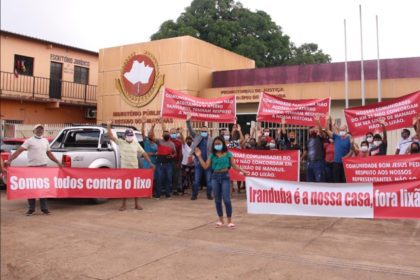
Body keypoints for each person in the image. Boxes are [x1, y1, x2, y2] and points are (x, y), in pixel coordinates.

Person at [6, 124, 62, 215]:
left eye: (41, 129)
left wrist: (57, 162)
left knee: (43, 188)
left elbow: (49, 153)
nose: (40, 130)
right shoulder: (29, 141)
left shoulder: (45, 141)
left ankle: (44, 209)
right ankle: (31, 209)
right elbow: (19, 151)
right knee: (31, 189)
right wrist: (10, 160)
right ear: (34, 131)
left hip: (43, 167)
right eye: (38, 129)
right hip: (32, 168)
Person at [194, 136, 249, 229]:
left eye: (219, 143)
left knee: (227, 200)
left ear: (223, 144)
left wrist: (243, 171)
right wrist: (199, 156)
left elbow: (234, 166)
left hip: (225, 177)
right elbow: (205, 166)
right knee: (217, 200)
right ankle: (220, 219)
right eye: (215, 144)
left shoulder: (228, 154)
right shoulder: (212, 155)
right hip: (215, 177)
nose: (217, 145)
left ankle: (229, 220)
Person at [107, 121, 154, 210]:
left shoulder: (136, 144)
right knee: (125, 187)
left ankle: (136, 204)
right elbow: (110, 136)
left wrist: (150, 163)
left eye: (131, 136)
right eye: (128, 136)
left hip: (134, 169)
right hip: (125, 169)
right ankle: (124, 204)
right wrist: (109, 125)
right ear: (125, 136)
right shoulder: (121, 142)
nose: (130, 137)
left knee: (135, 187)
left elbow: (144, 153)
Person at [186, 113, 214, 200]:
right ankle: (194, 195)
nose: (204, 132)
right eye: (202, 131)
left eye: (205, 131)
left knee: (209, 182)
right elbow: (190, 130)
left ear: (208, 132)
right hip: (198, 163)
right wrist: (188, 121)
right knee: (196, 181)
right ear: (200, 132)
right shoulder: (196, 136)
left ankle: (209, 195)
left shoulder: (212, 140)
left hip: (208, 163)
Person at [322, 115, 352, 183]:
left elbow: (351, 150)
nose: (343, 129)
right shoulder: (336, 137)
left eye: (345, 128)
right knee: (336, 181)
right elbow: (327, 130)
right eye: (342, 128)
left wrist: (345, 157)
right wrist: (327, 120)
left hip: (345, 164)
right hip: (336, 163)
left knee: (344, 181)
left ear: (346, 130)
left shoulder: (349, 138)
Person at [301, 118, 325, 183]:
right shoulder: (308, 141)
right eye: (310, 128)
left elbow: (322, 133)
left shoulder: (320, 138)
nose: (312, 129)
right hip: (309, 163)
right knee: (310, 181)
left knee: (319, 181)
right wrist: (301, 158)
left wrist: (318, 122)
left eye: (313, 128)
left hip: (318, 162)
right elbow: (306, 151)